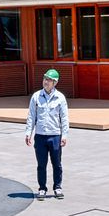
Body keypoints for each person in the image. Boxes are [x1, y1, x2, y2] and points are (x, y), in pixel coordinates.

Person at [24, 69, 69, 201]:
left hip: (55, 135)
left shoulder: (60, 98)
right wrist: (28, 132)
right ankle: (42, 188)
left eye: (49, 80)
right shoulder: (36, 96)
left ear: (55, 82)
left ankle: (57, 187)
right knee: (41, 164)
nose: (45, 81)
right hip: (40, 136)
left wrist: (64, 135)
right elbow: (31, 116)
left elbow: (64, 117)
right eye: (44, 78)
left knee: (57, 163)